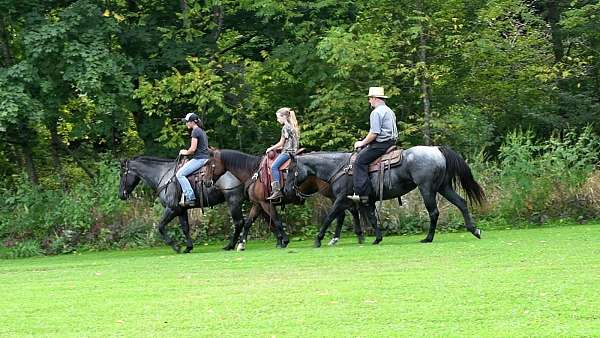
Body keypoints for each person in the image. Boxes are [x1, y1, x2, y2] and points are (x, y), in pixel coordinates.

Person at [348, 87, 398, 203]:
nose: (369, 101)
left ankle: (363, 195)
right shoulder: (389, 111)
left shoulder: (376, 112)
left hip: (381, 144)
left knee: (359, 161)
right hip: (391, 142)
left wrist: (361, 143)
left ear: (375, 98)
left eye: (370, 98)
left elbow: (374, 134)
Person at [265, 107, 300, 200]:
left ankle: (277, 191)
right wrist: (279, 148)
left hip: (288, 153)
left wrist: (270, 148)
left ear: (284, 117)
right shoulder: (292, 126)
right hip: (293, 151)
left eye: (278, 117)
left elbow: (281, 143)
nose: (277, 120)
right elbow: (288, 143)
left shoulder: (285, 127)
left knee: (274, 167)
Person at [176, 113, 209, 207]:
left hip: (199, 159)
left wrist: (184, 152)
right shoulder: (202, 131)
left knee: (180, 174)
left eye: (187, 122)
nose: (186, 124)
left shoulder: (195, 131)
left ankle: (190, 197)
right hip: (205, 157)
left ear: (191, 122)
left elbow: (192, 149)